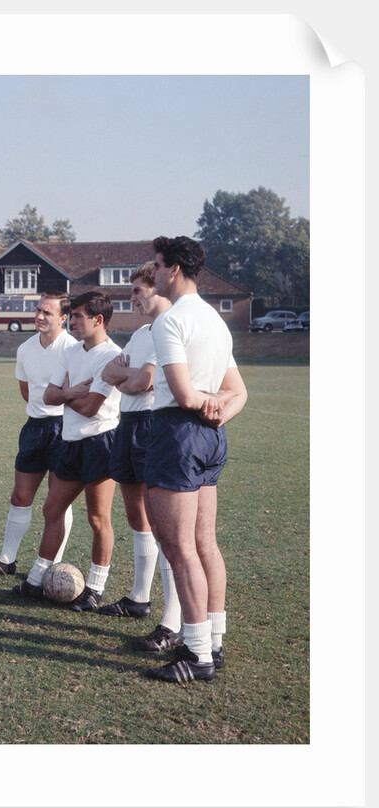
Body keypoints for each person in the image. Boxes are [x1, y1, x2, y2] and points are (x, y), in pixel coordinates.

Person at [143, 236, 247, 683]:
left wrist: (205, 404)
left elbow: (184, 395)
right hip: (211, 436)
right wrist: (219, 409)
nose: (153, 273)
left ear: (174, 269)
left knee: (180, 547)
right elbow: (239, 392)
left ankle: (198, 655)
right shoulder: (217, 322)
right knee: (204, 543)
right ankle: (213, 642)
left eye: (157, 265)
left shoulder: (171, 321)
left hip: (178, 434)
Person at [12, 291, 121, 610]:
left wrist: (66, 394)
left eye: (78, 316)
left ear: (98, 320)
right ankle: (36, 580)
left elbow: (90, 408)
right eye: (71, 316)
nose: (72, 321)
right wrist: (73, 392)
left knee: (98, 518)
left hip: (100, 442)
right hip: (70, 442)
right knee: (52, 509)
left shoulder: (112, 355)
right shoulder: (71, 351)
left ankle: (95, 588)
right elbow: (47, 396)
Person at [97, 263, 183, 652]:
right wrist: (126, 376)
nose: (132, 297)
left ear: (159, 288)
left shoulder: (170, 327)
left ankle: (172, 620)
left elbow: (144, 381)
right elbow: (108, 373)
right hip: (127, 423)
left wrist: (128, 376)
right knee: (138, 517)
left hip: (152, 424)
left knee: (164, 525)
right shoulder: (139, 333)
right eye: (131, 290)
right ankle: (139, 598)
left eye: (138, 290)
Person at [0, 291, 77, 580]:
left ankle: (53, 565)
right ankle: (6, 560)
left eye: (47, 312)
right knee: (20, 496)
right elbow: (27, 392)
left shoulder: (73, 349)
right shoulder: (25, 348)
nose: (39, 316)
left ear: (63, 318)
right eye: (38, 310)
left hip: (64, 428)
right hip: (34, 427)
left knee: (58, 501)